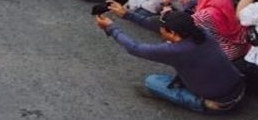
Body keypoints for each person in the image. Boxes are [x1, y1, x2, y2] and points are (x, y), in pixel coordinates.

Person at [95, 10, 245, 113]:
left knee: (152, 81)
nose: (160, 30)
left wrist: (111, 28)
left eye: (163, 29)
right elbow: (159, 27)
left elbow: (135, 48)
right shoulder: (202, 33)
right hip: (239, 87)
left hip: (221, 101)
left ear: (173, 32)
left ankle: (202, 104)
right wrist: (128, 14)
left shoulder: (175, 51)